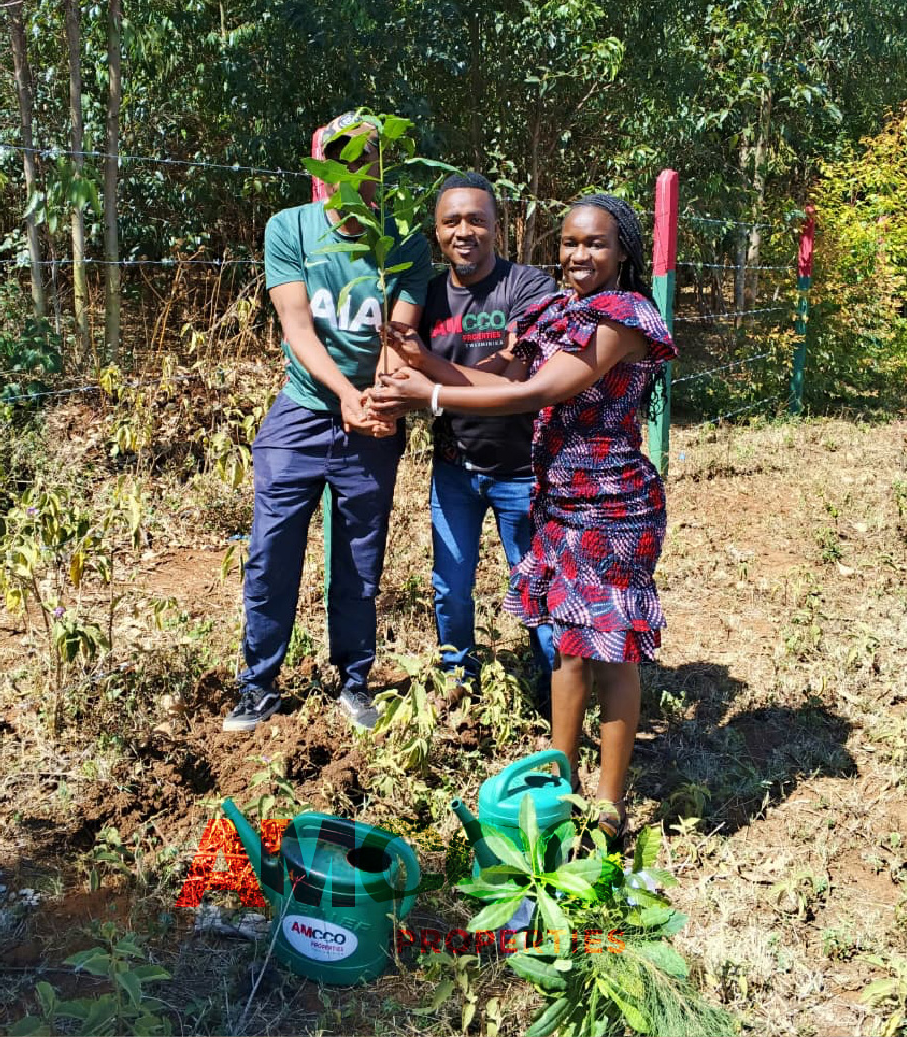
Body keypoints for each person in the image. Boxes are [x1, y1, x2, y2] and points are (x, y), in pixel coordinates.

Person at [373, 193, 676, 844]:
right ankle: (560, 783)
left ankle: (609, 804)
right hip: (559, 501)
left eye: (595, 243)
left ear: (623, 250)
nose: (579, 254)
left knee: (612, 652)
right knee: (567, 646)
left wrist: (429, 396)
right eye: (570, 242)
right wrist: (419, 361)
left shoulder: (623, 316)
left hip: (613, 506)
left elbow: (537, 393)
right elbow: (500, 380)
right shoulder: (556, 311)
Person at [223, 112, 430, 734]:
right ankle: (259, 685)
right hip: (303, 411)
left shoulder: (405, 242)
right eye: (341, 157)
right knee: (271, 552)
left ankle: (355, 681)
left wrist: (381, 399)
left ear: (382, 167)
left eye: (367, 158)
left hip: (373, 417)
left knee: (360, 557)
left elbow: (400, 334)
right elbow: (296, 326)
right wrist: (344, 392)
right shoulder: (290, 228)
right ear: (322, 165)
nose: (355, 171)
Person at [412, 172, 558, 712]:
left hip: (523, 469)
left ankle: (554, 689)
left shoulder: (527, 286)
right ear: (436, 230)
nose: (464, 231)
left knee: (535, 584)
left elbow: (519, 379)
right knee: (451, 585)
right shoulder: (426, 295)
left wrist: (430, 377)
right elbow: (397, 364)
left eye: (477, 219)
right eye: (451, 221)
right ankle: (458, 678)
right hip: (455, 468)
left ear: (498, 226)